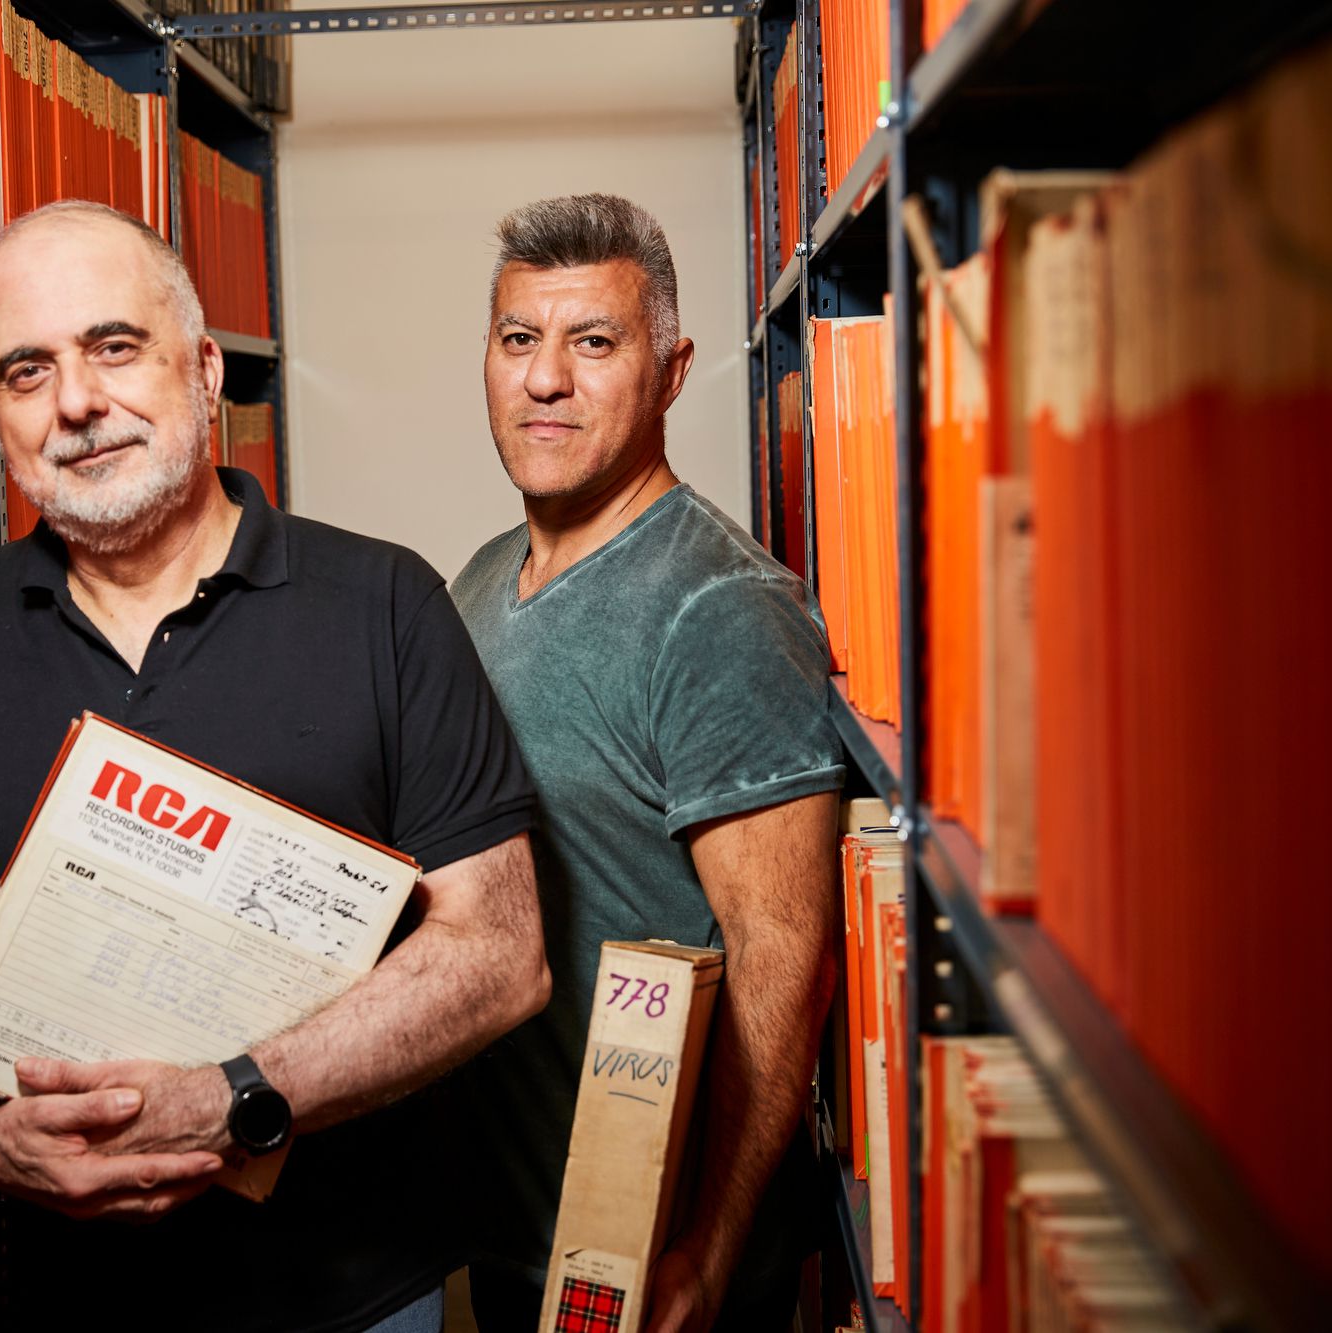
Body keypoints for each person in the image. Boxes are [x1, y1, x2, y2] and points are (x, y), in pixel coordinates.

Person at [0, 198, 550, 1333]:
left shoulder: (383, 606)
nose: (76, 403)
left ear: (203, 369)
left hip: (352, 1295)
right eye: (27, 371)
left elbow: (500, 951)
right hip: (62, 1297)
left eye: (113, 347)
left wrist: (231, 1097)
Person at [450, 194, 844, 1333]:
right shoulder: (480, 578)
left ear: (669, 373)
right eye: (518, 338)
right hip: (518, 1233)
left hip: (652, 1260)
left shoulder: (719, 610)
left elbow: (784, 954)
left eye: (593, 342)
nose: (544, 379)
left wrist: (708, 1253)